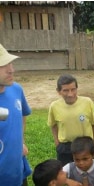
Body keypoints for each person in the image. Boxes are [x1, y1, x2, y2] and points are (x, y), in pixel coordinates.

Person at [48, 74, 94, 165]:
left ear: (77, 88)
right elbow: (53, 125)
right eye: (65, 90)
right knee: (66, 174)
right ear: (58, 91)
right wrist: (57, 142)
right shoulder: (54, 106)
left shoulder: (87, 102)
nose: (70, 94)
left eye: (73, 89)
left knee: (87, 173)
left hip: (85, 145)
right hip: (65, 148)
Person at [0, 44, 32, 185]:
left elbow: (22, 115)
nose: (11, 70)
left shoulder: (16, 89)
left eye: (10, 64)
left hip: (18, 172)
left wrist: (21, 141)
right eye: (3, 65)